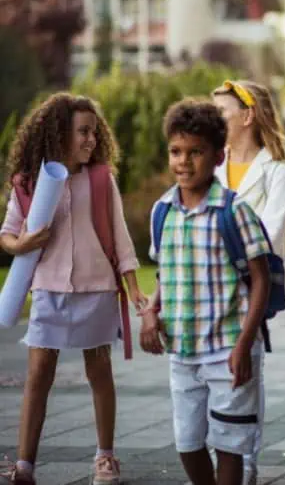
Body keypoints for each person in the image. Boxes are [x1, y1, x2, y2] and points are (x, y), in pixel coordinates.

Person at [0, 93, 144, 485]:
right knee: (38, 374)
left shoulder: (100, 179)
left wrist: (133, 291)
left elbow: (121, 237)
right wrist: (21, 245)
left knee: (99, 371)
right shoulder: (29, 182)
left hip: (97, 288)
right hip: (49, 289)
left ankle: (105, 457)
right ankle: (25, 464)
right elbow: (8, 233)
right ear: (58, 133)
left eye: (94, 133)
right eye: (83, 132)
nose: (91, 141)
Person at [138, 99, 272, 485]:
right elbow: (167, 273)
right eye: (176, 152)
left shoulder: (234, 211)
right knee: (187, 442)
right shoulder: (162, 211)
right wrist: (150, 313)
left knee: (230, 443)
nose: (183, 161)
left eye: (195, 152)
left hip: (229, 348)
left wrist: (245, 344)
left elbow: (260, 279)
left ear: (217, 156)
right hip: (182, 352)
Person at [212, 79, 285, 485]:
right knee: (215, 373)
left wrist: (223, 250)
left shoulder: (277, 171)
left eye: (221, 114)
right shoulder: (209, 166)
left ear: (247, 116)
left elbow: (272, 231)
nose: (213, 122)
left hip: (251, 286)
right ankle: (224, 452)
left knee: (246, 372)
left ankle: (245, 460)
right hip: (209, 290)